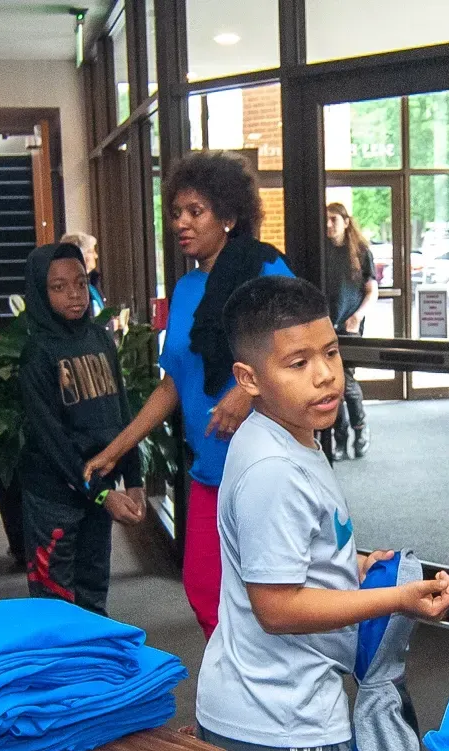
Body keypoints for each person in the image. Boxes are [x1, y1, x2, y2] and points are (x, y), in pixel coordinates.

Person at [194, 276, 449, 751]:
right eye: (298, 363)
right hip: (282, 723)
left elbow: (293, 548)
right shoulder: (274, 468)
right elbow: (276, 608)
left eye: (331, 353)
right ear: (247, 379)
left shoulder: (292, 436)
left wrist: (349, 564)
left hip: (276, 706)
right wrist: (398, 599)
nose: (326, 377)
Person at [83, 152, 294, 637]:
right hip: (209, 467)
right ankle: (232, 705)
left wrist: (247, 389)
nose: (181, 223)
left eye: (195, 212)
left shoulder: (264, 268)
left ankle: (259, 706)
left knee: (272, 597)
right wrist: (115, 450)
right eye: (176, 213)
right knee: (205, 593)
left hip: (264, 463)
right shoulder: (184, 289)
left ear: (228, 217)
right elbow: (174, 382)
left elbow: (303, 352)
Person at [16, 242, 146, 614]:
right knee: (55, 601)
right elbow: (51, 440)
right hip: (55, 497)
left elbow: (122, 413)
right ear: (40, 293)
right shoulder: (37, 353)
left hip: (96, 492)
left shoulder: (100, 338)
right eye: (59, 287)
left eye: (80, 283)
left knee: (93, 590)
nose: (75, 294)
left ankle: (96, 669)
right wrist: (103, 494)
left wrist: (134, 479)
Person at [318, 202, 375, 461]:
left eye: (334, 219)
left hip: (350, 326)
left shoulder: (361, 252)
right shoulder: (320, 250)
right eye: (326, 220)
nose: (329, 224)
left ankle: (359, 430)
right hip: (324, 327)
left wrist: (358, 315)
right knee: (333, 383)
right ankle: (339, 438)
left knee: (346, 382)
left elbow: (372, 291)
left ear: (346, 222)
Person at [60, 231, 106, 314]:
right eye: (91, 251)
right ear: (80, 255)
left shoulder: (92, 281)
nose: (96, 256)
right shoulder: (68, 285)